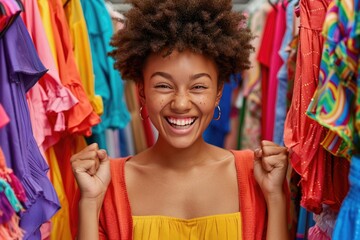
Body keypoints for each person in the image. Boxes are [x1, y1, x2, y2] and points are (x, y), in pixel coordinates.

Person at [71, 0, 290, 239]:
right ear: (142, 91)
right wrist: (90, 202)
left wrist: (275, 197)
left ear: (218, 93)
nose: (181, 104)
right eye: (164, 86)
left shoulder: (257, 176)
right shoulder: (105, 184)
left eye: (198, 86)